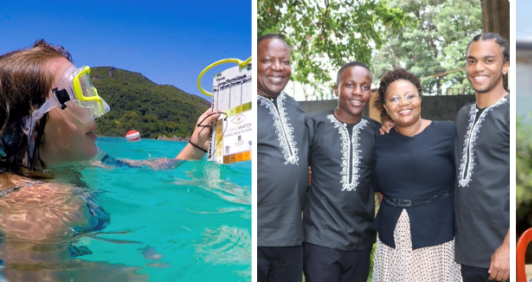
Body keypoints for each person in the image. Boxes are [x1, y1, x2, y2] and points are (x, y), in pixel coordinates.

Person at [0, 40, 216, 280]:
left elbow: (151, 169)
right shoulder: (37, 208)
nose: (95, 106)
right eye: (76, 94)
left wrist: (195, 146)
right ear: (29, 124)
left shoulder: (82, 165)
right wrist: (138, 275)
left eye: (88, 88)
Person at [371, 68, 461, 281]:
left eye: (410, 96)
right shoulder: (380, 141)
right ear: (385, 107)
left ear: (420, 98)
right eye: (395, 98)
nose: (404, 103)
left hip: (438, 240)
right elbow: (381, 192)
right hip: (393, 242)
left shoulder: (448, 133)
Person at [303, 61, 380, 281]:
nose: (358, 92)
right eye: (350, 85)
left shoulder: (377, 133)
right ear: (336, 89)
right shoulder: (313, 125)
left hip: (360, 242)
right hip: (320, 239)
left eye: (365, 87)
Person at [454, 33, 511, 282]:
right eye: (472, 61)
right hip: (468, 254)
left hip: (503, 254)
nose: (478, 68)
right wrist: (390, 125)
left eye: (489, 60)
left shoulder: (514, 112)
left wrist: (509, 247)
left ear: (505, 66)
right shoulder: (463, 115)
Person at [256, 33, 307, 282]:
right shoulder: (238, 112)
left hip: (291, 239)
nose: (278, 67)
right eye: (268, 60)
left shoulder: (297, 110)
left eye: (285, 61)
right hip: (252, 239)